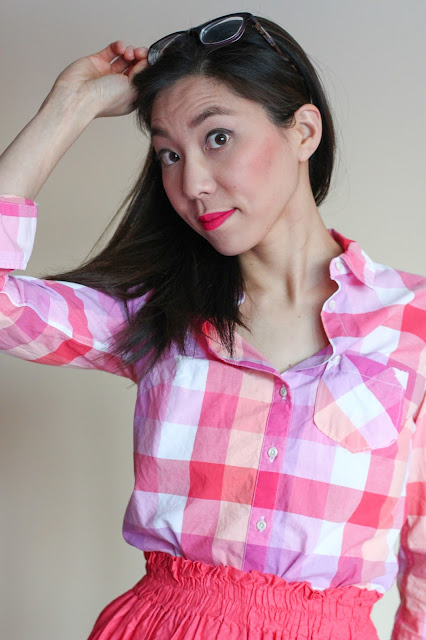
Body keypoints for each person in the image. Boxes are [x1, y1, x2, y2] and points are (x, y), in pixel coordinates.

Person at [0, 12, 425, 640]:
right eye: (169, 153)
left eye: (218, 137)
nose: (191, 183)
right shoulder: (159, 313)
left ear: (304, 131)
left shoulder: (409, 323)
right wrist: (72, 105)